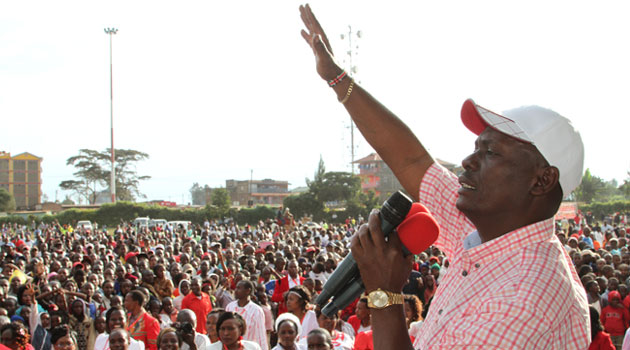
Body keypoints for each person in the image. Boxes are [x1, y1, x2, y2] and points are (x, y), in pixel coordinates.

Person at [299, 4, 590, 349]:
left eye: (491, 153)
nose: (467, 161)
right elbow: (412, 159)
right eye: (476, 147)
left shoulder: (527, 295)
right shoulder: (485, 236)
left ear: (541, 181)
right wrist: (336, 77)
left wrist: (383, 295)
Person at [225, 280, 267, 349]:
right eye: (236, 288)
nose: (235, 290)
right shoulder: (230, 307)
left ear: (248, 291)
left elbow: (261, 337)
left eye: (239, 288)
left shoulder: (256, 311)